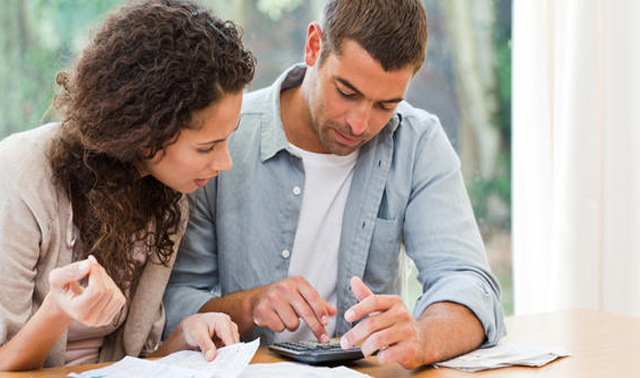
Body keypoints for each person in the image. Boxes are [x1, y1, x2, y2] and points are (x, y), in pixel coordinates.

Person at [164, 0, 505, 369]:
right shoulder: (224, 141)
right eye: (347, 92)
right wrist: (248, 306)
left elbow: (470, 285)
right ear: (314, 46)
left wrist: (424, 336)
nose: (360, 124)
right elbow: (170, 303)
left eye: (385, 105)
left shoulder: (417, 142)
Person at [0, 0, 255, 371]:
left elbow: (128, 365)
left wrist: (183, 336)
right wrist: (57, 311)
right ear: (147, 133)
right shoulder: (22, 174)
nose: (225, 162)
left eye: (227, 139)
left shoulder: (167, 200)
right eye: (207, 147)